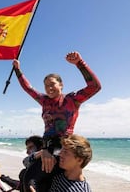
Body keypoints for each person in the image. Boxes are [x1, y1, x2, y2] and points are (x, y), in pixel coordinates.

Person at [13, 51, 101, 192]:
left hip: (62, 145)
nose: (49, 88)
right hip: (46, 145)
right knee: (27, 176)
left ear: (61, 85)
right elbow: (28, 88)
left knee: (30, 178)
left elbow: (95, 87)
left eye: (52, 84)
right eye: (46, 85)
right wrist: (17, 70)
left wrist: (80, 63)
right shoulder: (44, 101)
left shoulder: (72, 100)